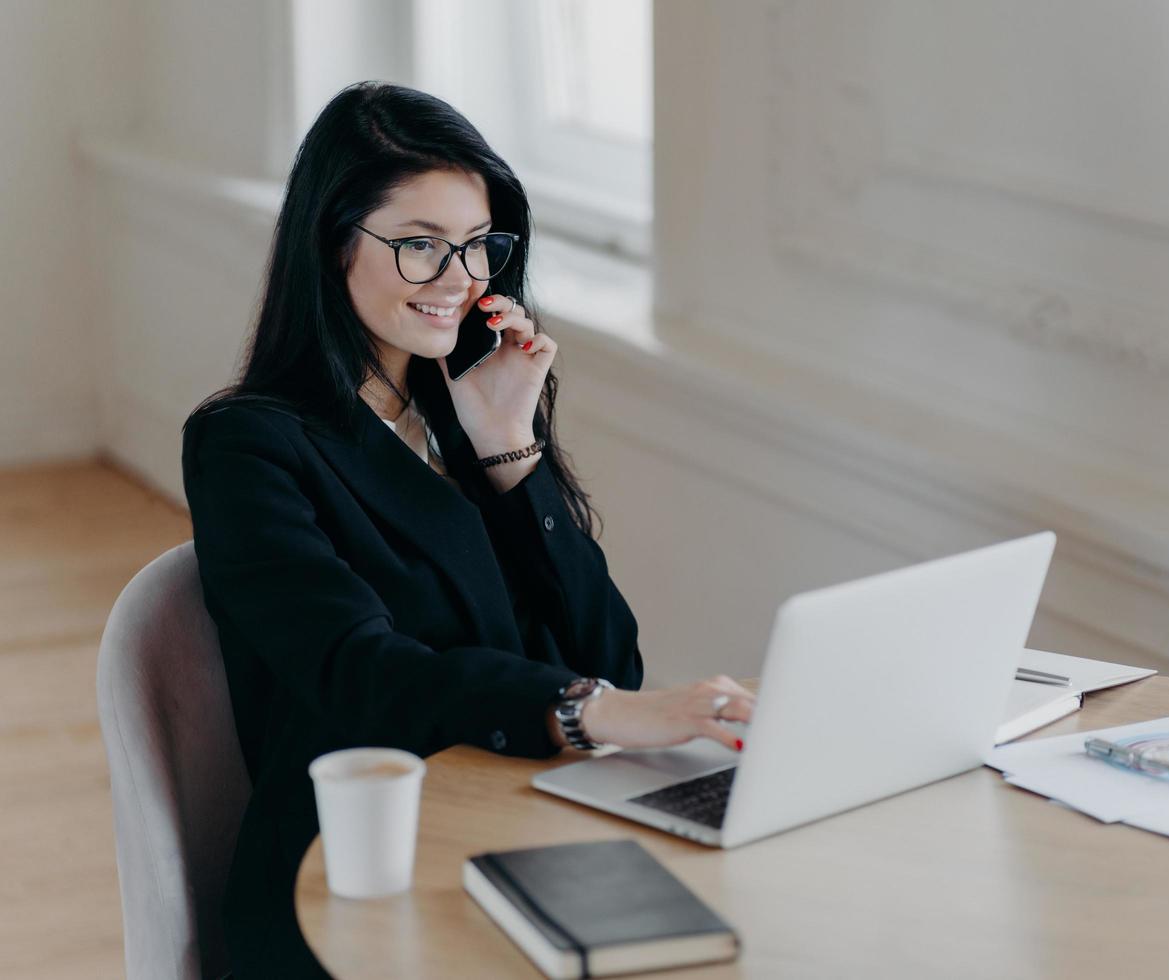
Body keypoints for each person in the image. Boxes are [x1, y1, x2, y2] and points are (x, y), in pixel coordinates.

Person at [181, 81, 756, 979]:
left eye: (477, 246)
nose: (461, 280)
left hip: (518, 815)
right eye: (419, 246)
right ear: (334, 245)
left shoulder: (465, 411)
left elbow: (609, 651)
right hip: (355, 870)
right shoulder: (248, 443)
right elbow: (357, 670)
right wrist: (588, 709)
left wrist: (510, 453)